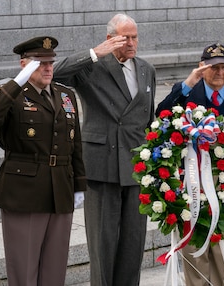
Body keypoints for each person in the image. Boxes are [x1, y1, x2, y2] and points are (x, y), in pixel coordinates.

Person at [53, 14, 156, 286]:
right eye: (126, 38)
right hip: (103, 165)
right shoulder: (93, 68)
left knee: (134, 244)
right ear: (111, 39)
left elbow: (148, 119)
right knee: (103, 244)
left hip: (136, 167)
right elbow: (57, 72)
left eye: (135, 37)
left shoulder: (146, 69)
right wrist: (94, 53)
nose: (132, 43)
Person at [0, 36, 86, 285]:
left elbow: (75, 144)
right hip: (24, 193)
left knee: (54, 269)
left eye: (51, 62)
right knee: (24, 269)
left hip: (60, 189)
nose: (48, 68)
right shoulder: (12, 94)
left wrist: (79, 186)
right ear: (25, 65)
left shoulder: (65, 94)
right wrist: (18, 81)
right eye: (40, 63)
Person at [156, 42, 224, 286]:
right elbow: (161, 115)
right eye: (213, 67)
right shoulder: (187, 94)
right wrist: (187, 83)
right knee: (195, 253)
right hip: (193, 188)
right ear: (202, 68)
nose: (219, 73)